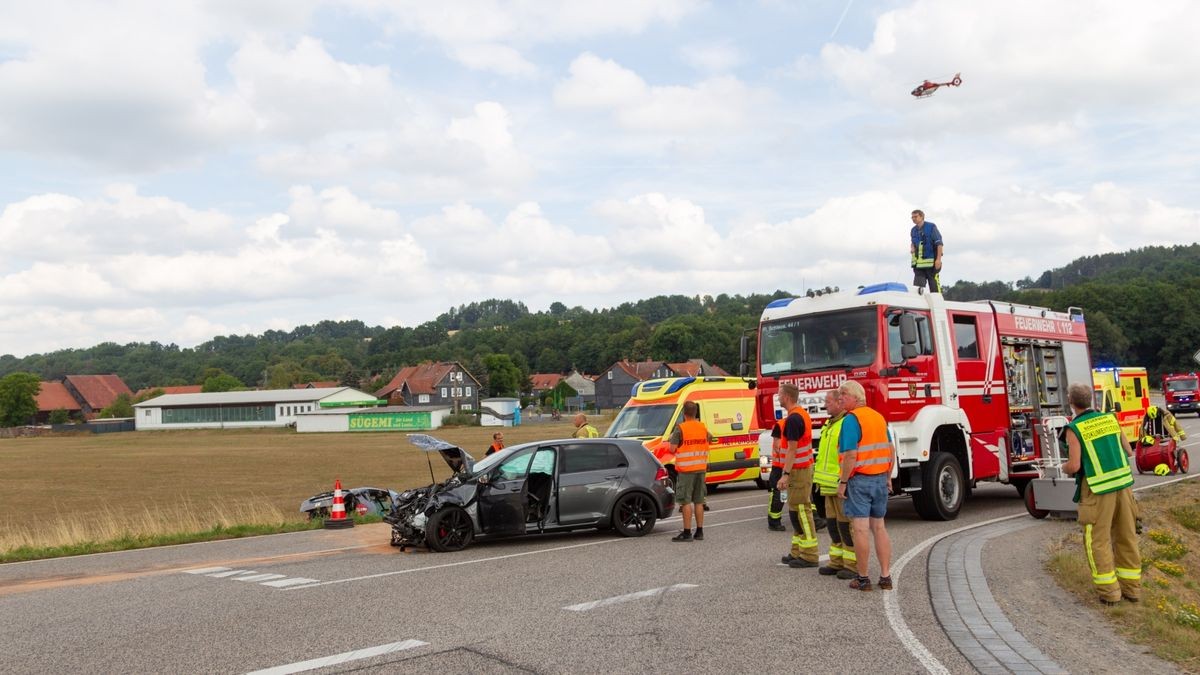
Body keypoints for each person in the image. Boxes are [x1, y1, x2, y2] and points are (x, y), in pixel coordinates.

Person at [1061, 382, 1141, 606]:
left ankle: (1110, 594)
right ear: (1090, 400)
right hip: (1124, 487)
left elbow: (1075, 466)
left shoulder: (1074, 428)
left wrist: (1063, 467)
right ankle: (1132, 591)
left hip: (1097, 490)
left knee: (1097, 541)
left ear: (1071, 402)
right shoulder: (1111, 419)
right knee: (1126, 536)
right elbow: (1128, 450)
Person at [836, 380, 895, 591]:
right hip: (880, 479)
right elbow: (891, 449)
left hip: (860, 480)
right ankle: (886, 576)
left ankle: (863, 578)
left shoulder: (851, 420)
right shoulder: (878, 417)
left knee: (860, 529)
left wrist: (843, 482)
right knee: (879, 527)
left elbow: (851, 454)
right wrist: (888, 476)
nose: (840, 398)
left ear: (855, 397)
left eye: (843, 394)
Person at [812, 389, 857, 579]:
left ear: (840, 402)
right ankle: (837, 561)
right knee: (833, 524)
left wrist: (844, 481)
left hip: (839, 483)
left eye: (828, 402)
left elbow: (848, 455)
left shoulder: (845, 424)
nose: (825, 405)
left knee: (846, 526)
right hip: (826, 483)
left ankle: (852, 565)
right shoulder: (829, 424)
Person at [774, 383, 820, 568]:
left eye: (779, 394)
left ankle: (809, 555)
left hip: (798, 470)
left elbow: (792, 450)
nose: (777, 397)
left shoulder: (794, 419)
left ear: (786, 397)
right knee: (796, 511)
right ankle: (797, 551)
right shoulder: (798, 415)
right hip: (800, 468)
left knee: (801, 511)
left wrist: (785, 474)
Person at [669, 401, 716, 542]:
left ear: (684, 414)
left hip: (686, 470)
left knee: (685, 502)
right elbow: (710, 437)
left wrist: (673, 438)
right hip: (700, 468)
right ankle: (699, 532)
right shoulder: (702, 427)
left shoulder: (680, 428)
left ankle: (687, 532)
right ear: (695, 413)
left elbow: (672, 448)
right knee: (699, 501)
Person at [909, 209, 943, 293]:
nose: (913, 219)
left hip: (931, 264)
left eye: (915, 216)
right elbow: (913, 242)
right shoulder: (913, 230)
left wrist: (938, 260)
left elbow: (939, 244)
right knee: (917, 289)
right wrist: (912, 247)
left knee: (934, 287)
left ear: (922, 216)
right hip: (918, 266)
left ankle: (937, 303)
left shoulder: (931, 227)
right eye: (912, 217)